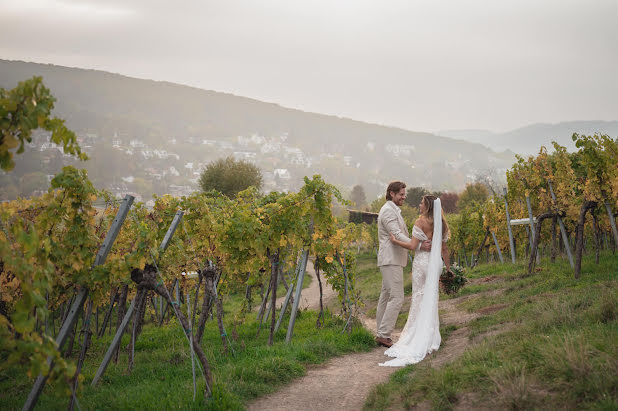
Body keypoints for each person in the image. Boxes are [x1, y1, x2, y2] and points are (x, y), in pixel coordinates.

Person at [379, 195, 452, 366]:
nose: (419, 205)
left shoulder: (420, 222)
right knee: (431, 299)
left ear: (426, 206)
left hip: (422, 263)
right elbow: (445, 248)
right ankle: (430, 336)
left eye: (421, 203)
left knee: (419, 298)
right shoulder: (441, 223)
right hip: (435, 264)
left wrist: (395, 241)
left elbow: (413, 246)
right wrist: (448, 269)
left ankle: (416, 335)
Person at [375, 181, 431, 348]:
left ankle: (381, 332)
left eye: (404, 194)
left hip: (392, 259)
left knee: (385, 296)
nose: (404, 197)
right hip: (390, 259)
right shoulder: (387, 212)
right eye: (401, 194)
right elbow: (397, 234)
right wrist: (418, 245)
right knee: (397, 297)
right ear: (391, 193)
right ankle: (384, 335)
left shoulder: (392, 210)